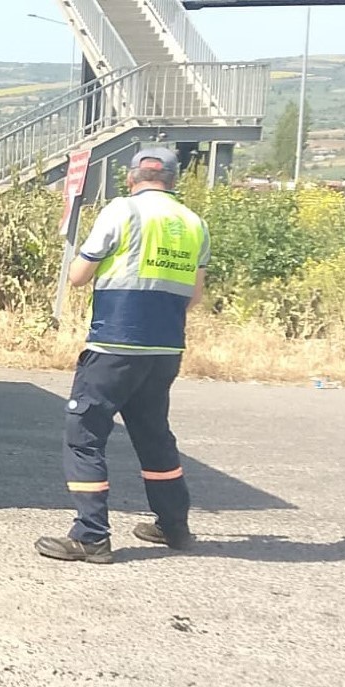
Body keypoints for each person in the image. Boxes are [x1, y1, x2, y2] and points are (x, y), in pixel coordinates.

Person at [36, 146, 209, 565]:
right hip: (166, 348)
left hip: (115, 344)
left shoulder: (122, 211)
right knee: (154, 436)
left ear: (131, 178)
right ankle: (174, 526)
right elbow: (195, 296)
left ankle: (91, 535)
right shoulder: (194, 223)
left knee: (84, 433)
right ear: (172, 180)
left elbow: (79, 276)